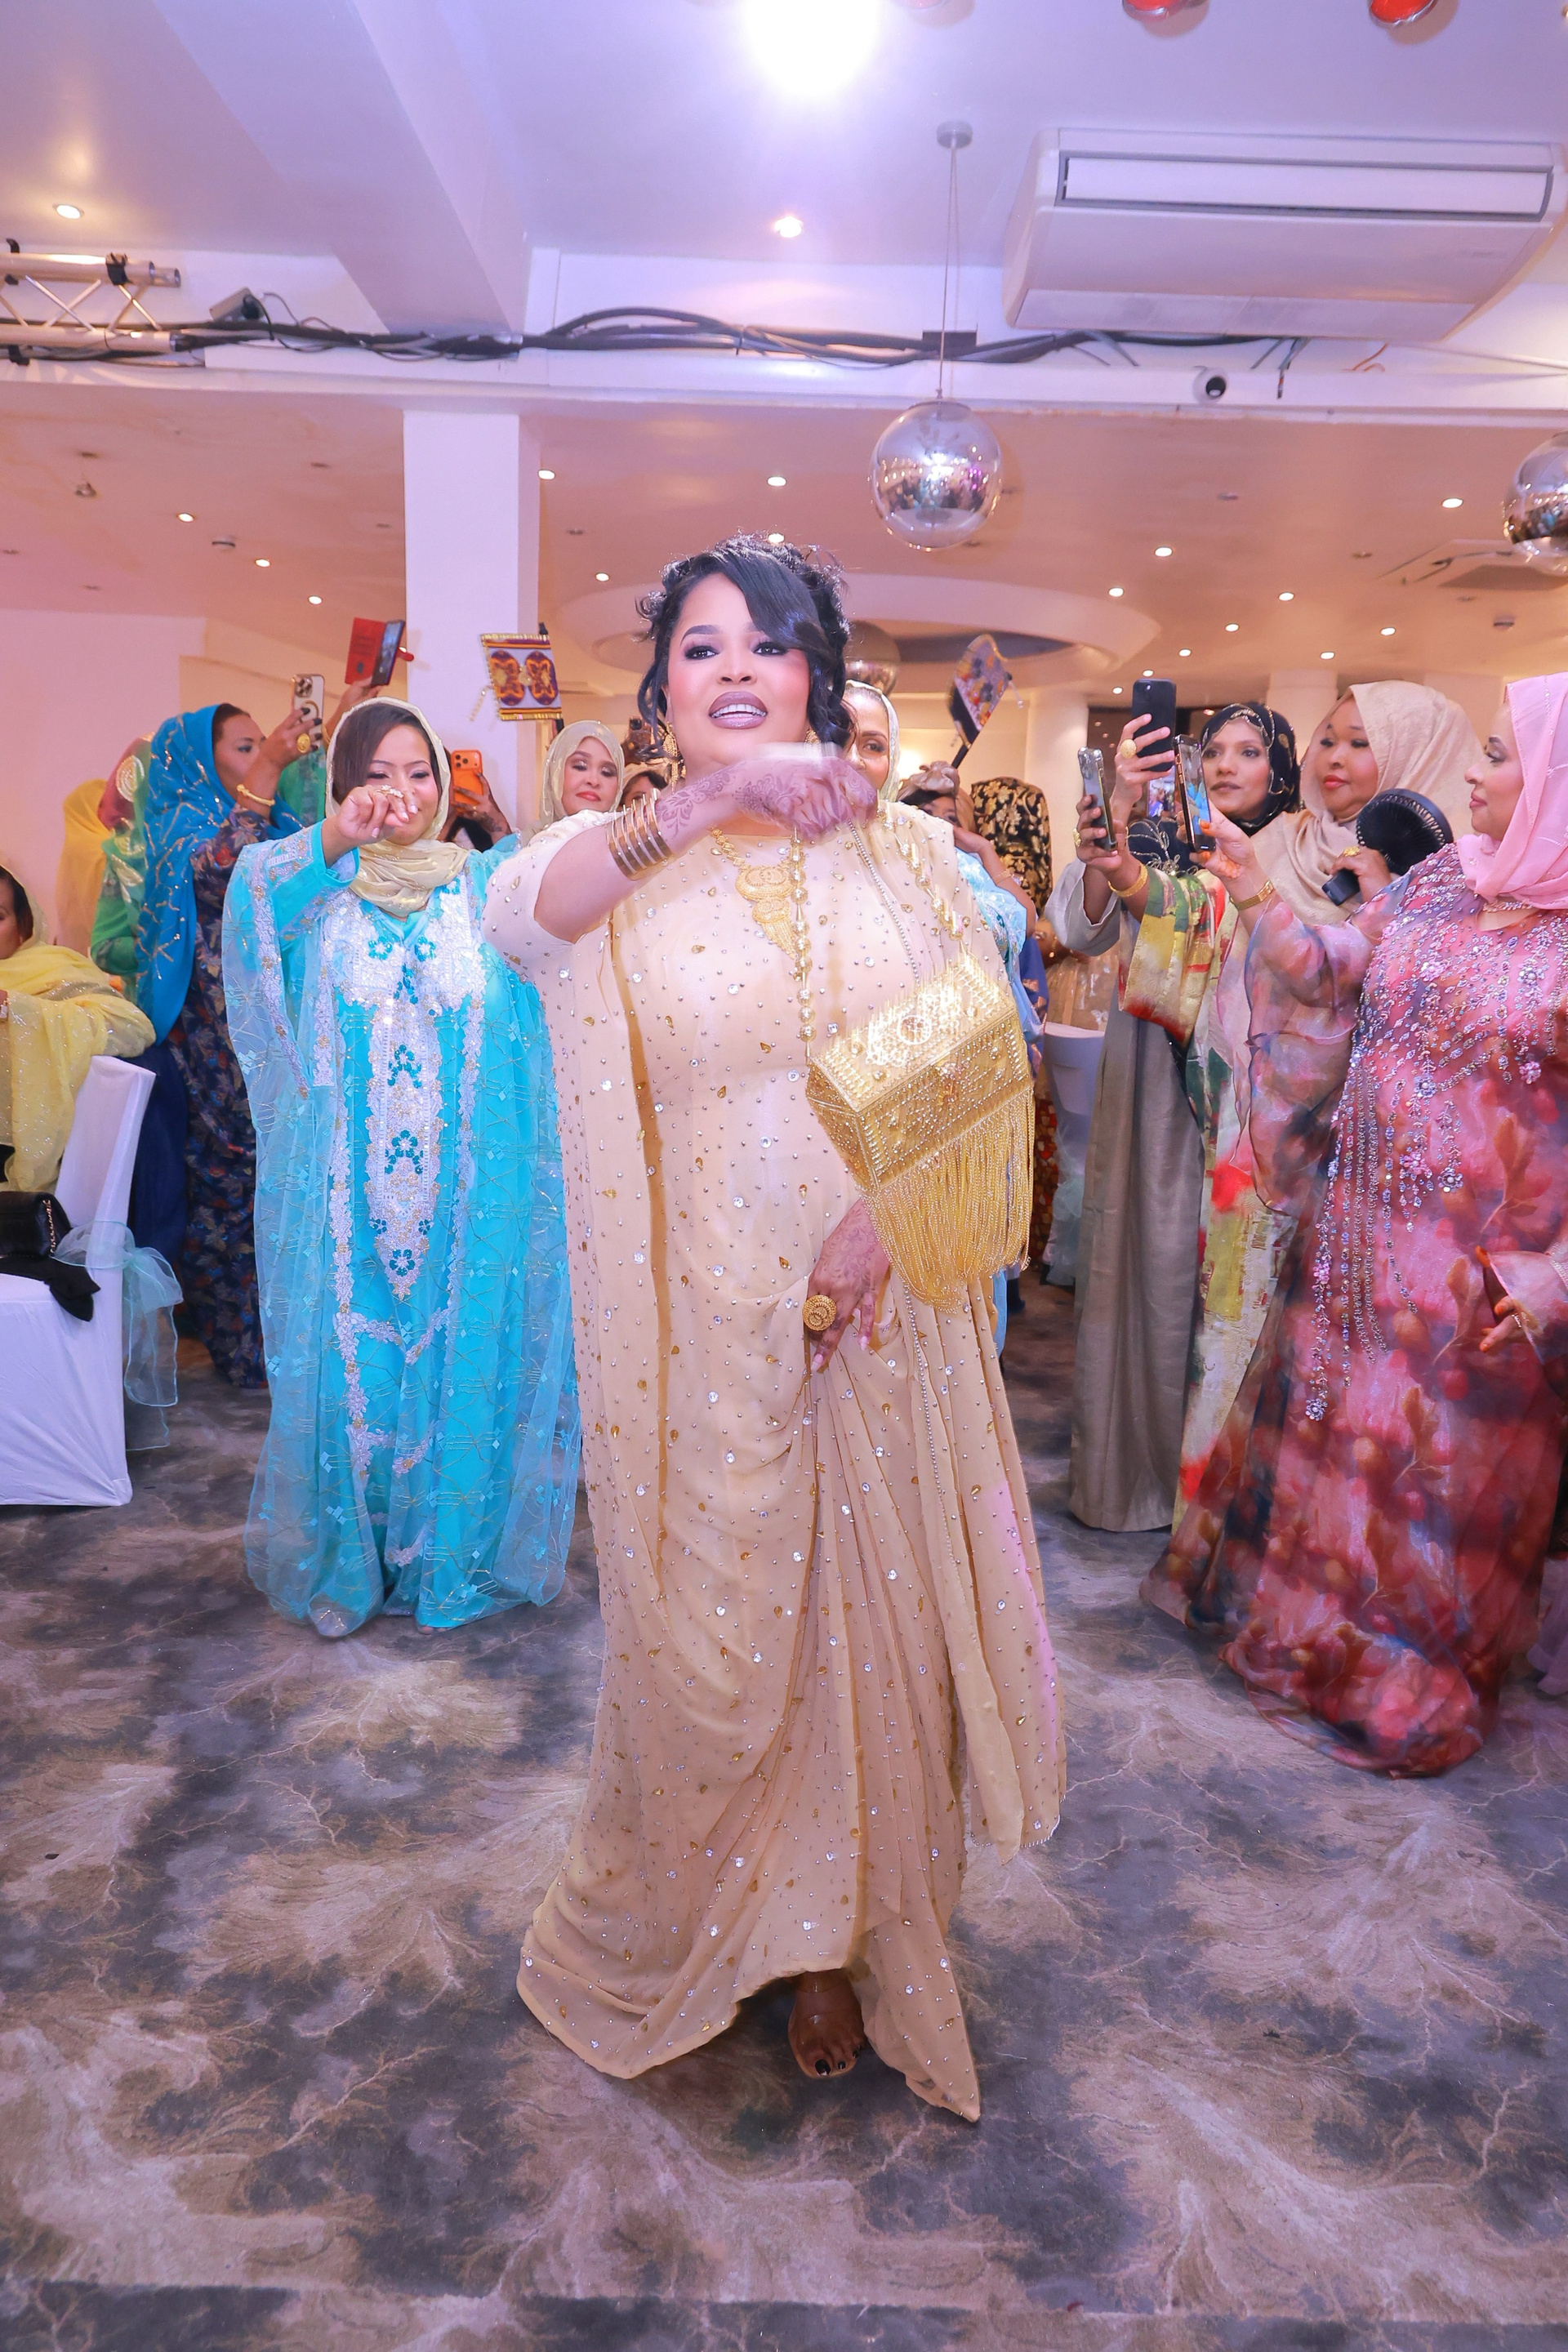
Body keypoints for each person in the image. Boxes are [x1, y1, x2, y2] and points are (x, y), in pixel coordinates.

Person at [483, 534, 1063, 2119]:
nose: (737, 666)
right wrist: (709, 805)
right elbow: (517, 927)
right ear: (663, 689)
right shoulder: (623, 858)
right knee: (725, 1625)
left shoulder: (904, 854)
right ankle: (717, 1912)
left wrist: (881, 1226)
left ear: (819, 674)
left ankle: (840, 1940)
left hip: (880, 1297)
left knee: (873, 1627)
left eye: (771, 642)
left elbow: (979, 1046)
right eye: (702, 645)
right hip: (696, 1316)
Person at [1144, 674, 1568, 1775]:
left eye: (1499, 755)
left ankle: (1400, 1687)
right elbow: (1331, 972)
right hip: (1360, 1237)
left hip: (1477, 1281)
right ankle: (1308, 1649)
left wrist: (1555, 1278)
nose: (1474, 772)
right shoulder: (1440, 882)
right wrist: (1253, 892)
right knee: (1336, 1456)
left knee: (1425, 1483)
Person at [221, 697, 577, 1637]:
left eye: (421, 773)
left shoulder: (483, 889)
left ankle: (446, 1559)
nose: (403, 793)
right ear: (343, 786)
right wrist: (336, 838)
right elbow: (248, 903)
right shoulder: (317, 895)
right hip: (347, 1201)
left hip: (466, 1199)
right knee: (360, 1374)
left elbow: (565, 912)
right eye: (378, 774)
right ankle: (357, 1560)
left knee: (460, 1364)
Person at [137, 700, 334, 1386]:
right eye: (245, 747)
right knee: (228, 1189)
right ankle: (242, 1349)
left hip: (282, 1040)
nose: (261, 755)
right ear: (201, 761)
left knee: (288, 1185)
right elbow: (224, 871)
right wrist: (272, 767)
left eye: (263, 745)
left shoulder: (274, 827)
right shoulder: (181, 830)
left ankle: (290, 1342)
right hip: (215, 1049)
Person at [1047, 760, 1206, 1532]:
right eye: (1218, 753)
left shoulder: (1291, 858)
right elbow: (1081, 931)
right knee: (1139, 1259)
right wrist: (1116, 814)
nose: (1229, 768)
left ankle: (1210, 1487)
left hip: (1243, 1089)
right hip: (1146, 1071)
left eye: (1250, 753)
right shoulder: (1155, 845)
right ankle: (1134, 1470)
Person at [0, 862, 153, 1192]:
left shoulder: (54, 971)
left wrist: (14, 1008)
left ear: (23, 924)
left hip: (21, 1166)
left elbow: (131, 1027)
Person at [537, 721, 626, 827]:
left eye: (606, 772)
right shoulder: (526, 837)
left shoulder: (633, 837)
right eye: (580, 766)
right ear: (555, 771)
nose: (594, 781)